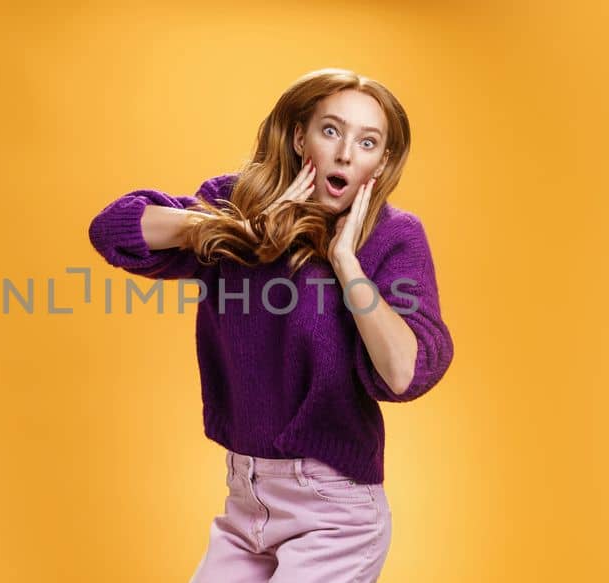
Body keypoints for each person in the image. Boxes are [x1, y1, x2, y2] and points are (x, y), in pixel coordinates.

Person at [87, 67, 454, 582]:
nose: (346, 153)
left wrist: (346, 262)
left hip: (335, 512)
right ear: (300, 135)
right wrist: (241, 227)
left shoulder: (394, 236)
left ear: (382, 161)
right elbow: (115, 230)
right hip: (245, 504)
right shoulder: (236, 206)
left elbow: (402, 372)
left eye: (367, 141)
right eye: (331, 131)